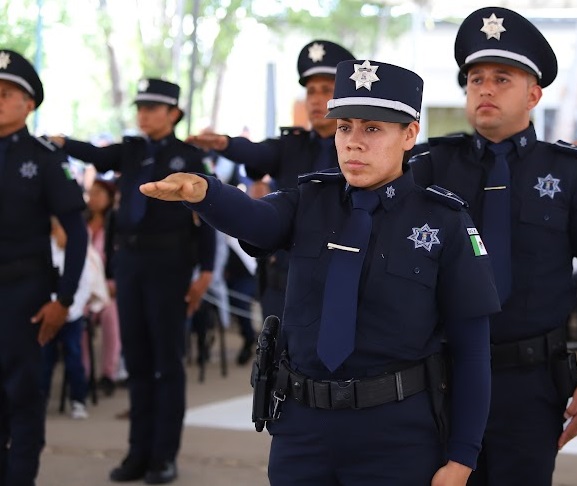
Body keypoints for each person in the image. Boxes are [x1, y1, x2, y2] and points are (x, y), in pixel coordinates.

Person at [141, 59, 500, 486]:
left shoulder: (443, 221)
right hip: (301, 432)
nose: (353, 143)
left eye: (372, 128)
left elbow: (473, 350)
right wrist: (206, 192)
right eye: (345, 127)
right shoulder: (311, 201)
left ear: (409, 134)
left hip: (396, 437)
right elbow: (257, 219)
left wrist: (462, 458)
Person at [410, 7, 577, 485]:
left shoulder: (572, 172)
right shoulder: (428, 166)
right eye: (476, 78)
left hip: (529, 382)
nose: (485, 88)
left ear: (534, 93)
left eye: (502, 78)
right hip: (440, 376)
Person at [50, 78, 216, 484]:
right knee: (137, 361)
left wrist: (206, 272)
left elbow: (209, 213)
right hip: (131, 262)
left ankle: (164, 455)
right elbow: (96, 154)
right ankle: (138, 452)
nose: (143, 113)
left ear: (174, 113)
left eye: (153, 107)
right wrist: (61, 141)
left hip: (170, 262)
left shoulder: (189, 155)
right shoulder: (132, 150)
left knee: (167, 363)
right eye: (140, 106)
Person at [186, 40, 355, 346]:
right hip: (286, 282)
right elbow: (259, 153)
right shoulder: (292, 145)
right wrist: (226, 144)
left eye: (326, 89)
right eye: (311, 91)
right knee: (277, 371)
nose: (316, 100)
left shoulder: (360, 152)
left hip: (341, 280)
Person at [0, 48, 88, 485]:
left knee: (23, 400)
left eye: (7, 92)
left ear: (28, 103)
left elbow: (78, 233)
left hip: (25, 296)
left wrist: (65, 300)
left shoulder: (46, 159)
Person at [41, 217, 110, 420]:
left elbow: (85, 286)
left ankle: (78, 399)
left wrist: (68, 309)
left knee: (74, 356)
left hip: (73, 314)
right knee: (44, 359)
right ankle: (41, 399)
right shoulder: (48, 250)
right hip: (49, 312)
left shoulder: (81, 253)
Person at [82, 177, 122, 396]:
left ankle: (109, 373)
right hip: (84, 290)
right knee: (79, 319)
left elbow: (117, 260)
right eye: (91, 193)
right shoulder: (81, 223)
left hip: (109, 288)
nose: (93, 198)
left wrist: (113, 285)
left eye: (98, 193)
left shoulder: (114, 225)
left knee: (111, 316)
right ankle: (84, 374)